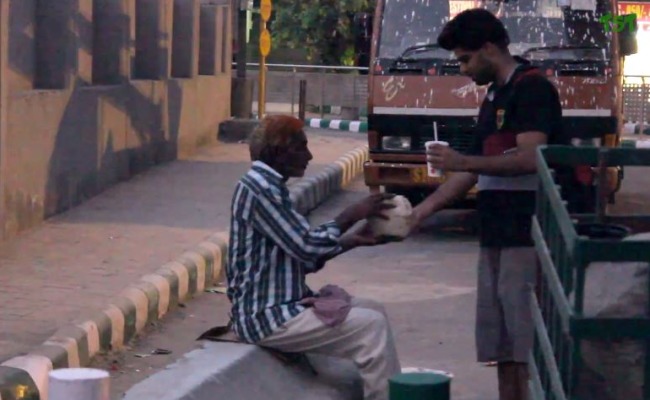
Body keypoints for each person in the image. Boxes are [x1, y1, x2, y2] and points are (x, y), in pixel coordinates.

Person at [409, 8, 568, 400]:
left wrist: (464, 161)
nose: (462, 69)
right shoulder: (495, 95)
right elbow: (474, 169)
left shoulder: (532, 89)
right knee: (502, 345)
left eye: (465, 59)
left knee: (525, 341)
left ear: (490, 48)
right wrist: (417, 214)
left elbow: (533, 158)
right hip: (495, 232)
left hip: (525, 232)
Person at [226, 115, 402, 400]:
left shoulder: (270, 187)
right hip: (266, 316)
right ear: (280, 151)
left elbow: (301, 257)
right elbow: (306, 246)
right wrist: (349, 216)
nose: (309, 156)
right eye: (302, 147)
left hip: (284, 304)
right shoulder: (258, 189)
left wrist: (350, 242)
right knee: (371, 328)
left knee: (373, 310)